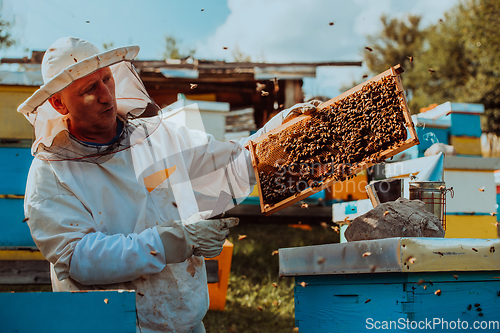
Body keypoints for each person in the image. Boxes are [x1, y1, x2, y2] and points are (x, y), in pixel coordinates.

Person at [19, 37, 319, 333]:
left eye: (107, 79)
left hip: (184, 321)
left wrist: (278, 135)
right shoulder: (49, 175)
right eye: (89, 89)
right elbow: (78, 258)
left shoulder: (159, 137)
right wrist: (171, 242)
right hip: (107, 325)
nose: (107, 95)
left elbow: (231, 163)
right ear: (58, 103)